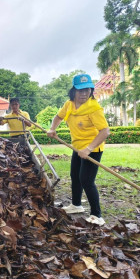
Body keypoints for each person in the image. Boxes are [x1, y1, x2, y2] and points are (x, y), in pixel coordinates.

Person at [47, 74, 110, 226]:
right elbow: (58, 117)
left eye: (87, 89)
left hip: (92, 148)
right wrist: (52, 129)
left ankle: (97, 215)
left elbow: (105, 131)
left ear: (91, 90)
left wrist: (88, 149)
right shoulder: (69, 104)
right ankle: (76, 205)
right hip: (77, 147)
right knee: (75, 175)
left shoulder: (94, 108)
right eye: (80, 90)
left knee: (87, 180)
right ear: (73, 91)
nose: (84, 93)